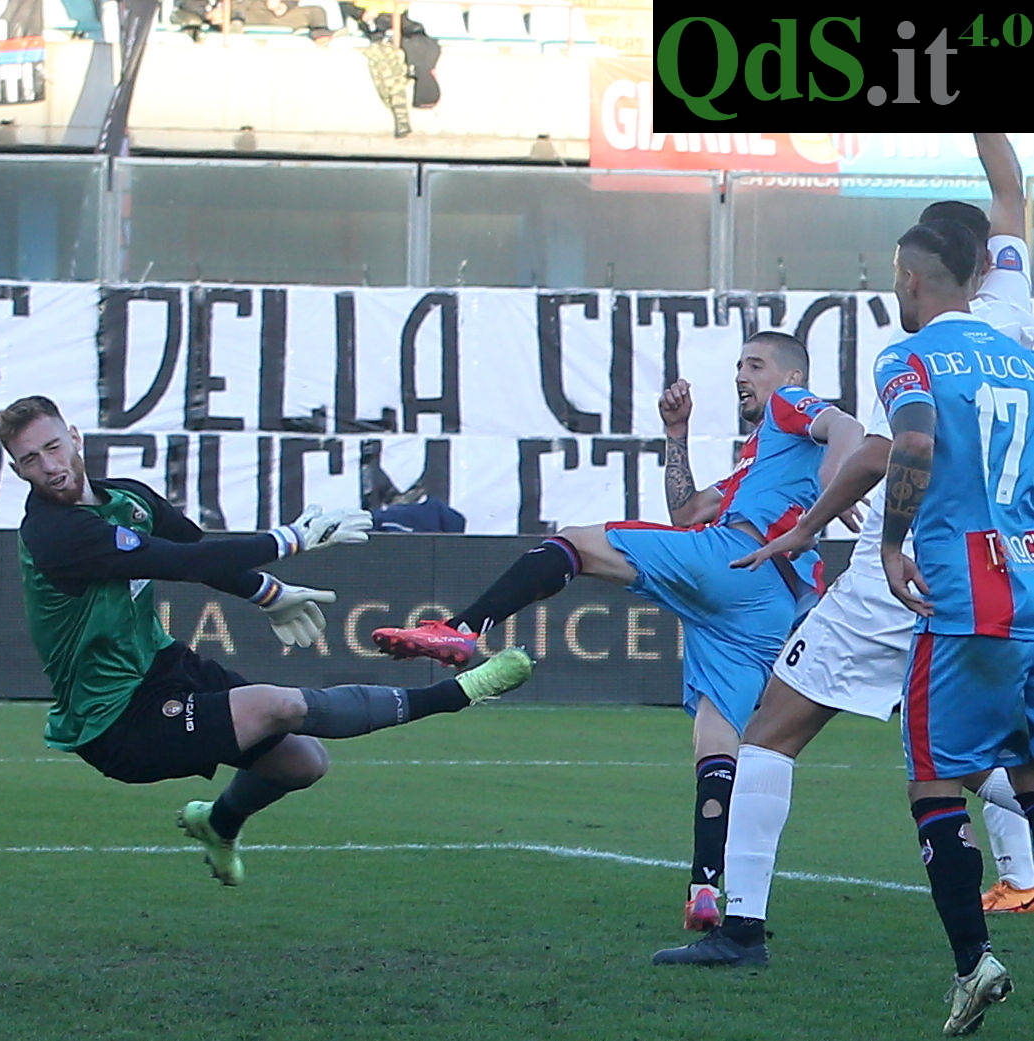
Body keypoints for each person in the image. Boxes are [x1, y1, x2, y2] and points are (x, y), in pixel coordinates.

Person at [654, 133, 1034, 972]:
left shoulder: (913, 352)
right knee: (979, 758)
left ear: (910, 275)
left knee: (767, 735)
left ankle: (739, 930)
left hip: (902, 573)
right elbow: (1009, 190)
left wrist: (806, 527)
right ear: (987, 266)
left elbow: (887, 451)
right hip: (1006, 574)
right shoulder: (1013, 319)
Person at [372, 333, 864, 929]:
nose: (742, 374)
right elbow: (685, 513)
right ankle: (705, 888)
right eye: (738, 364)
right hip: (765, 605)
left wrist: (818, 514)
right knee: (715, 736)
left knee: (577, 542)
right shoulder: (759, 457)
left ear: (787, 377)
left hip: (741, 561)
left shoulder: (794, 404)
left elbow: (849, 433)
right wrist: (677, 436)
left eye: (755, 365)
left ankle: (463, 629)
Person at [0, 395, 534, 886]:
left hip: (161, 667)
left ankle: (219, 822)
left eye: (52, 447)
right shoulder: (54, 534)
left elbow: (197, 549)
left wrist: (267, 592)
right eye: (30, 459)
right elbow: (180, 563)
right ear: (17, 469)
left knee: (302, 762)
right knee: (279, 705)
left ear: (75, 438)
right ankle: (458, 694)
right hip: (112, 720)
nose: (49, 466)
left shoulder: (128, 498)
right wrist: (291, 539)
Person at [873, 219, 1034, 1036]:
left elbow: (912, 440)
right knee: (1026, 771)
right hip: (1032, 576)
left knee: (932, 777)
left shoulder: (907, 358)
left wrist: (892, 540)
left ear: (910, 277)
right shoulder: (1023, 357)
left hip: (964, 593)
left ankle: (974, 965)